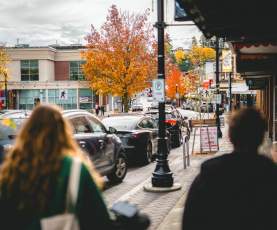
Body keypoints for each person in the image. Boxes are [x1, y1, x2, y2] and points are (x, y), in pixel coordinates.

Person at [0, 104, 113, 229]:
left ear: (27, 132)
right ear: (62, 131)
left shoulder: (12, 168)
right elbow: (100, 219)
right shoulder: (74, 168)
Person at [182, 107, 277, 230]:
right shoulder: (270, 176)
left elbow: (190, 222)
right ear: (261, 137)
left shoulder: (207, 177)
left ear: (230, 136)